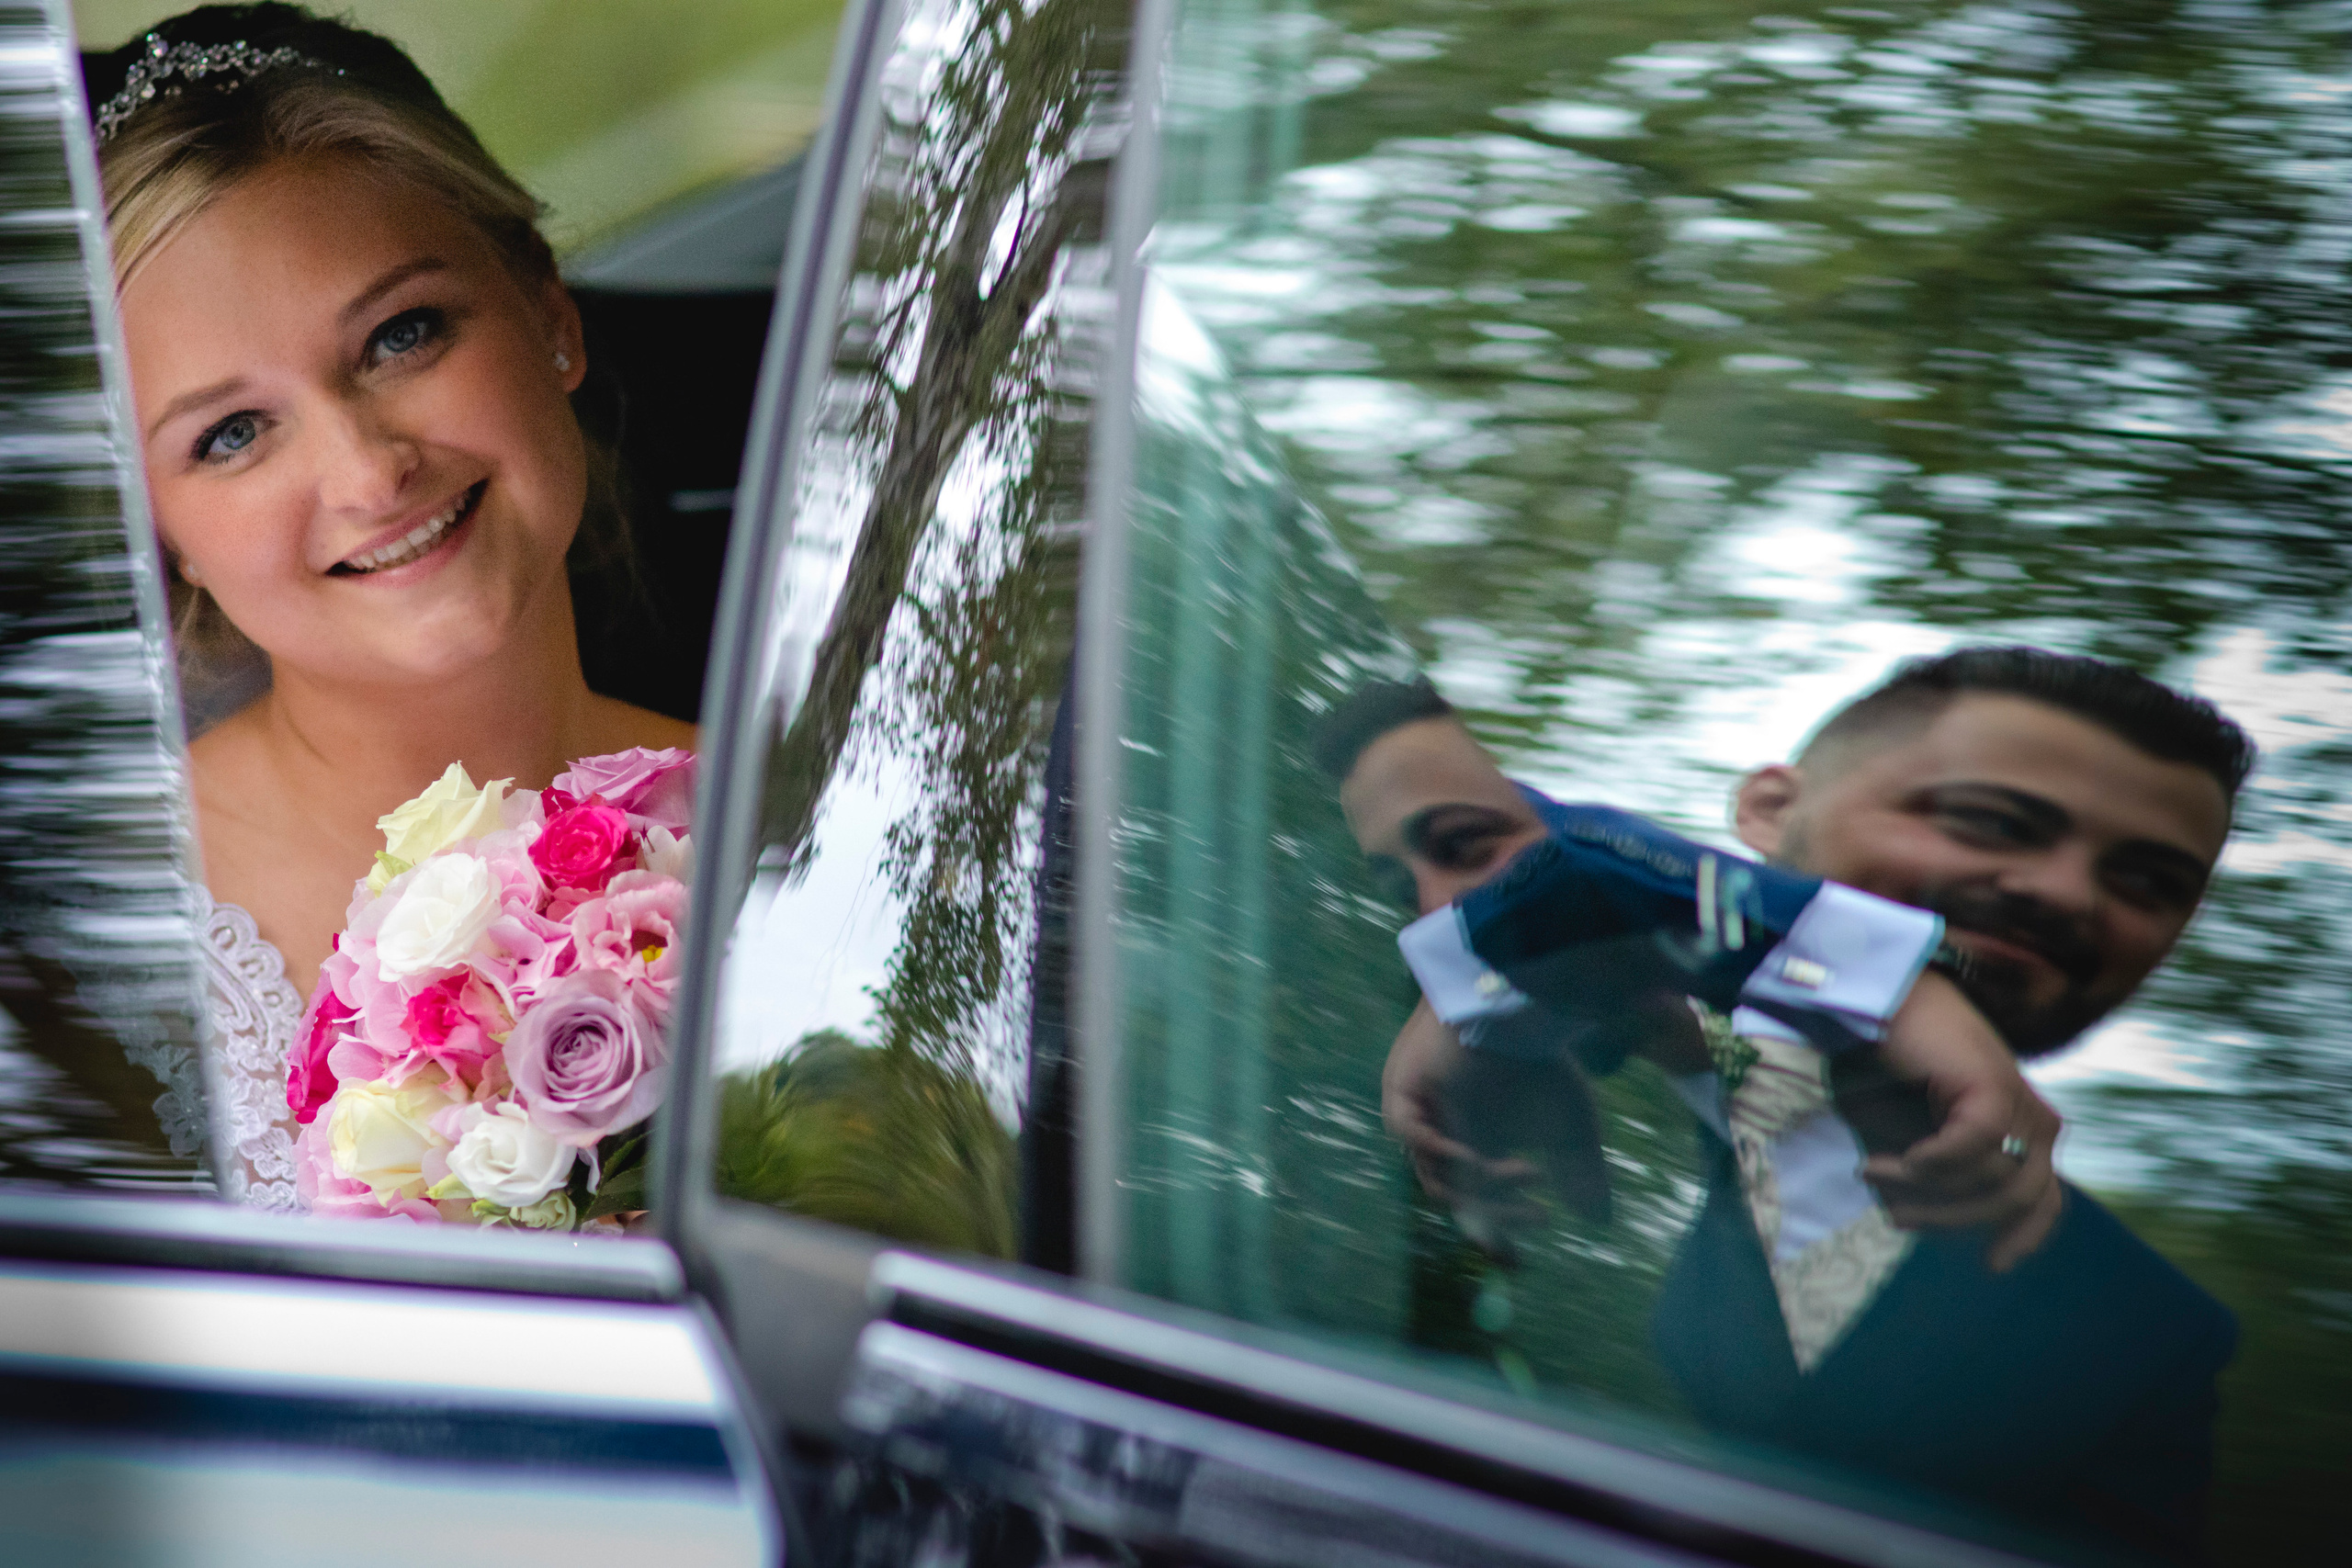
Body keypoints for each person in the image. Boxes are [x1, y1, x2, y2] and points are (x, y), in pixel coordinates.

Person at [1333, 649, 2251, 1562]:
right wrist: (1887, 976)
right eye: (1990, 821)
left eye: (2149, 881)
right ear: (1770, 811)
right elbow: (1529, 843)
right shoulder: (1540, 1026)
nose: (2063, 892)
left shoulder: (2148, 1337)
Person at [85, 6, 694, 1208]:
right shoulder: (78, 958)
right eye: (232, 433)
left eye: (401, 336)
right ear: (159, 528)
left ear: (550, 315)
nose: (369, 474)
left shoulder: (801, 842)